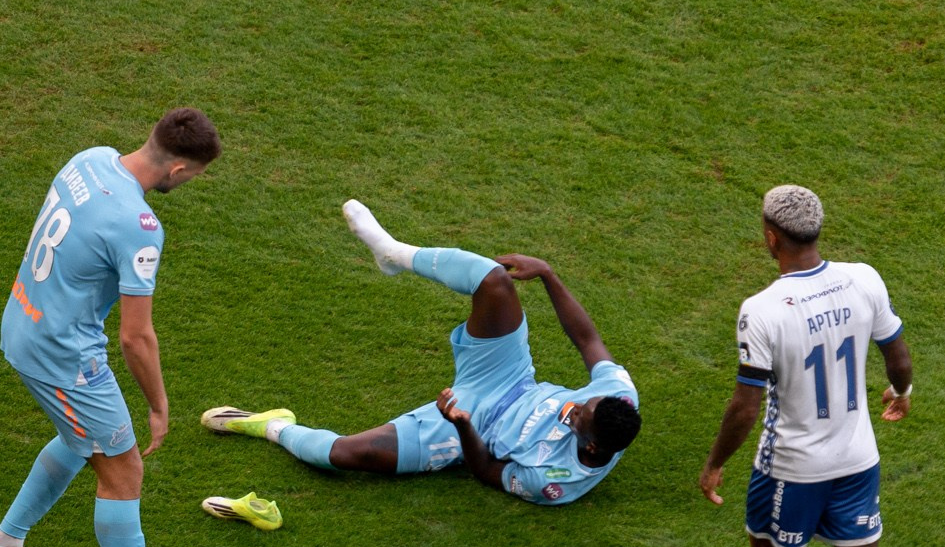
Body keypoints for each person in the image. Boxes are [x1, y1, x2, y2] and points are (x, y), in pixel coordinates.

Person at [0, 108, 222, 547]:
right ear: (179, 169)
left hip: (22, 320)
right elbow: (136, 338)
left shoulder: (88, 160)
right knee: (124, 470)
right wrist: (158, 405)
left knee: (77, 439)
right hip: (62, 355)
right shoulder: (140, 226)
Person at [199, 202, 640, 507]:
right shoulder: (619, 402)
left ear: (592, 444)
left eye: (579, 414)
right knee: (493, 280)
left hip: (470, 427)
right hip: (509, 376)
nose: (577, 404)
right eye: (586, 401)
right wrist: (547, 274)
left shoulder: (553, 482)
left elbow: (486, 470)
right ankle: (392, 254)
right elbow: (588, 341)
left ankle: (272, 426)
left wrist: (462, 425)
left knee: (343, 456)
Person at [699, 185, 918, 547]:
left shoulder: (763, 310)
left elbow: (746, 403)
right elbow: (896, 350)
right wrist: (902, 390)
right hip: (858, 458)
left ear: (770, 237)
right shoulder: (864, 278)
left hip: (792, 467)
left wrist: (715, 463)